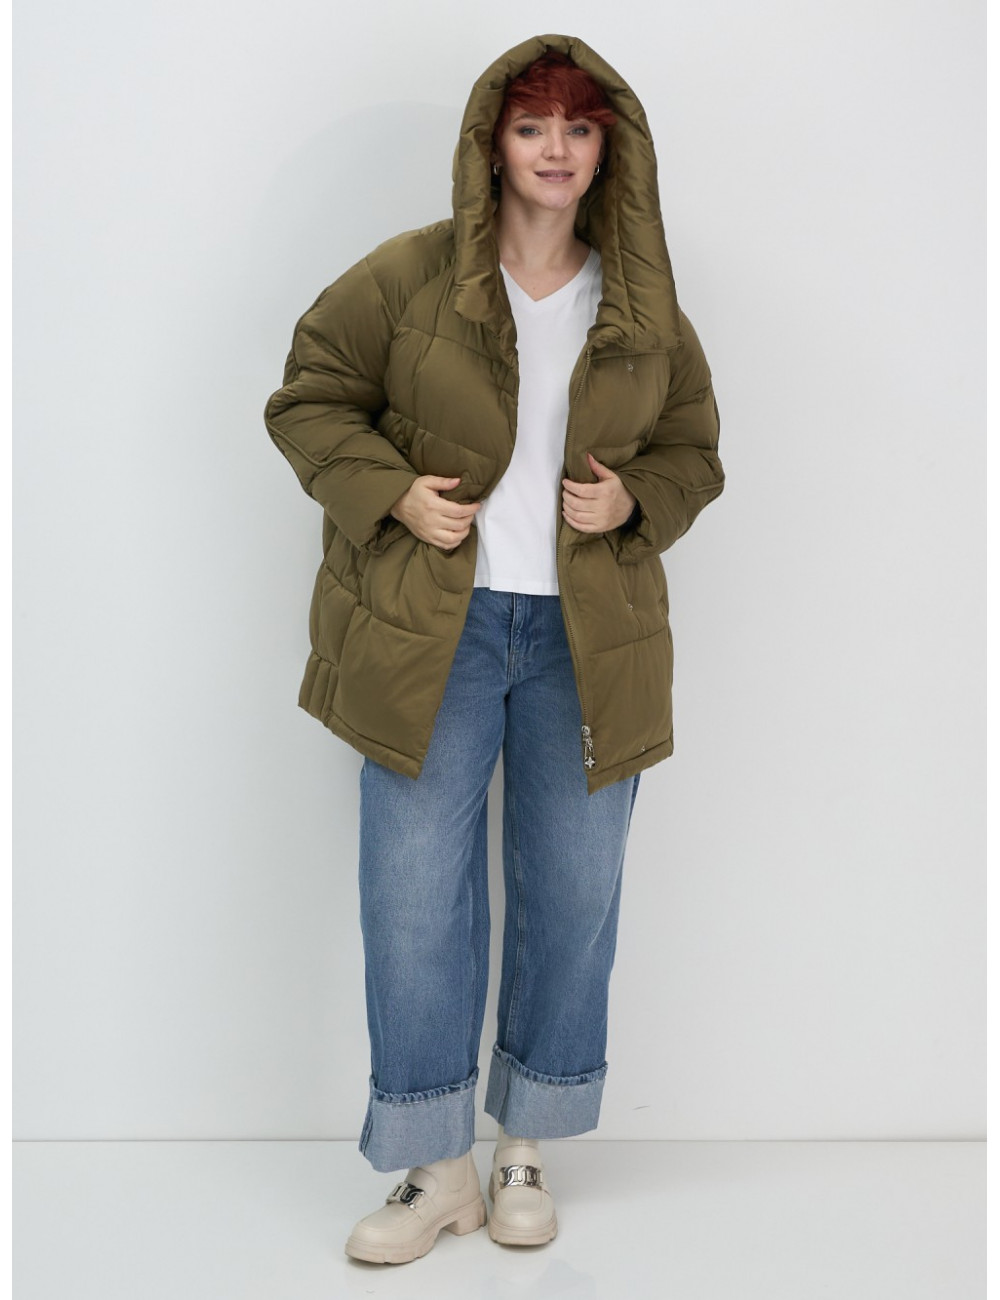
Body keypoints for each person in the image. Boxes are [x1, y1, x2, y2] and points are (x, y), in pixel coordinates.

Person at [264, 33, 724, 1265]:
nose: (556, 150)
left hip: (588, 639)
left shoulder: (642, 304)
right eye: (532, 127)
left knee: (573, 894)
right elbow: (307, 397)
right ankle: (436, 1170)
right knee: (414, 899)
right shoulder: (409, 276)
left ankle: (523, 1146)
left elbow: (694, 452)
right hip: (437, 631)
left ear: (608, 149)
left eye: (578, 128)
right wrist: (393, 494)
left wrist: (634, 501)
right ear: (494, 145)